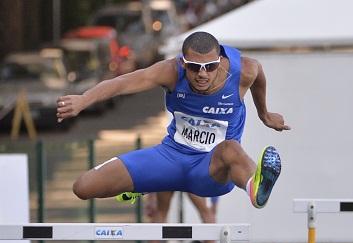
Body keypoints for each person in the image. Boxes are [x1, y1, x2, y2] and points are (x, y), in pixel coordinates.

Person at [56, 31, 290, 215]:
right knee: (83, 187)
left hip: (211, 170)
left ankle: (255, 187)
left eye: (210, 67)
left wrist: (264, 114)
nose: (202, 74)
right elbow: (123, 83)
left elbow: (258, 75)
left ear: (219, 61)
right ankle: (141, 185)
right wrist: (84, 99)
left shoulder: (243, 70)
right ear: (182, 62)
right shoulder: (169, 71)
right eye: (194, 67)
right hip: (171, 158)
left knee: (230, 148)